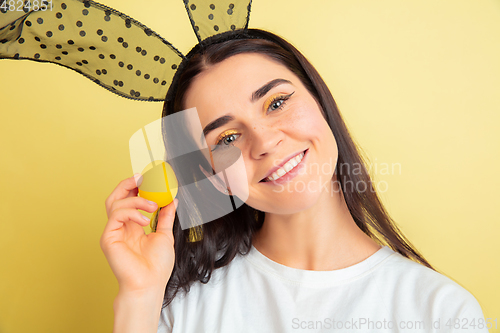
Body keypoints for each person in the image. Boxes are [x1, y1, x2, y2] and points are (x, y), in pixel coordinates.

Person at [100, 29, 488, 333]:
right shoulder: (180, 309)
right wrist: (138, 295)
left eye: (277, 102)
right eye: (227, 139)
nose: (266, 142)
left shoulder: (440, 311)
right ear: (210, 177)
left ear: (320, 99)